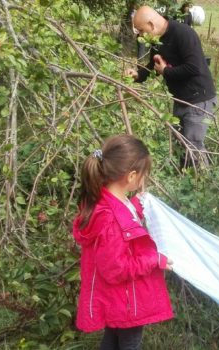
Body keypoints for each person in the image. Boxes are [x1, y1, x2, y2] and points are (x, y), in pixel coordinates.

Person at [72, 135, 174, 350]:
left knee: (112, 341)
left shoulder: (107, 200)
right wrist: (155, 259)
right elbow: (116, 268)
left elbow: (122, 228)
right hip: (127, 301)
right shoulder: (109, 219)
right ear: (131, 176)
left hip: (119, 300)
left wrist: (136, 205)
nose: (144, 179)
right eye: (144, 174)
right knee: (128, 344)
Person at [126, 6, 217, 167]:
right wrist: (138, 75)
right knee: (182, 146)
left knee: (193, 147)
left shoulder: (183, 34)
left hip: (197, 99)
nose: (139, 34)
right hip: (181, 99)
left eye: (141, 30)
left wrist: (166, 71)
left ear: (151, 25)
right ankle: (186, 180)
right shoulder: (157, 39)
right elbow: (154, 64)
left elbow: (194, 67)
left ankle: (203, 184)